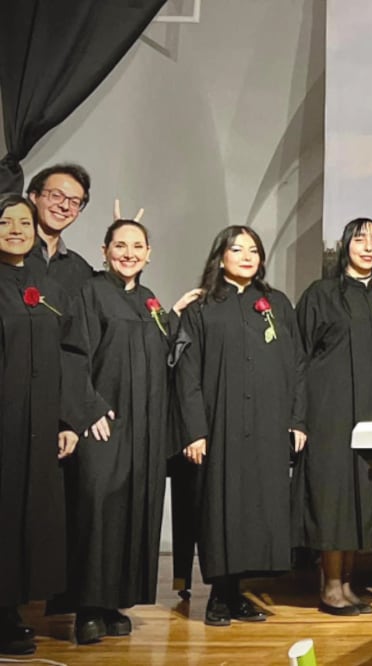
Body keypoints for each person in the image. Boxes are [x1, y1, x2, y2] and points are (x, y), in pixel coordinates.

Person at [66, 219, 196, 644]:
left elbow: (164, 354)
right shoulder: (90, 292)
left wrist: (176, 316)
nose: (128, 252)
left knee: (133, 511)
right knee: (98, 509)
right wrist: (88, 409)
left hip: (145, 428)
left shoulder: (150, 301)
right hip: (105, 423)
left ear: (149, 253)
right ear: (104, 250)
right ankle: (88, 607)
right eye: (119, 245)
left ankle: (115, 602)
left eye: (137, 245)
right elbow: (73, 354)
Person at [174, 225, 307, 627]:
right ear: (220, 257)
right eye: (238, 249)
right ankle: (218, 594)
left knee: (255, 510)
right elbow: (187, 372)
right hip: (220, 424)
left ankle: (237, 592)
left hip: (267, 424)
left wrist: (297, 420)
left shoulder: (277, 304)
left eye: (254, 250)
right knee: (220, 508)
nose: (247, 256)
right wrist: (194, 429)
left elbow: (299, 366)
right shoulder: (201, 308)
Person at [0, 194, 107, 656]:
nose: (16, 229)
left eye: (24, 222)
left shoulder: (48, 284)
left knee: (29, 514)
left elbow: (71, 353)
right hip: (3, 419)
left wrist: (69, 417)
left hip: (41, 421)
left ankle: (11, 609)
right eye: (5, 221)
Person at [294, 218, 372, 616]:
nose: (368, 246)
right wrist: (298, 417)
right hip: (331, 411)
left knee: (360, 496)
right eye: (360, 239)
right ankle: (331, 586)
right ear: (345, 246)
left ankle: (348, 582)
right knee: (334, 496)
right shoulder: (322, 294)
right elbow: (299, 357)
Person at [24, 164, 97, 293]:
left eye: (74, 202)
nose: (65, 206)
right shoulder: (10, 250)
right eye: (56, 196)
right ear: (34, 196)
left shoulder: (80, 269)